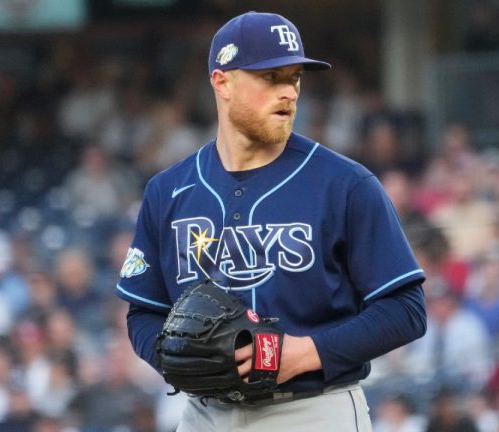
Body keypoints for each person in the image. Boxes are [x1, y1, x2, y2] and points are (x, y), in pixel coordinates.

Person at [116, 11, 427, 432]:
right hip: (204, 415)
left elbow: (405, 310)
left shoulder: (346, 184)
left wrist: (305, 352)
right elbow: (143, 311)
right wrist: (175, 359)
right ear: (222, 82)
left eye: (294, 78)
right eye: (270, 77)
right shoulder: (167, 191)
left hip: (314, 409)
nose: (288, 92)